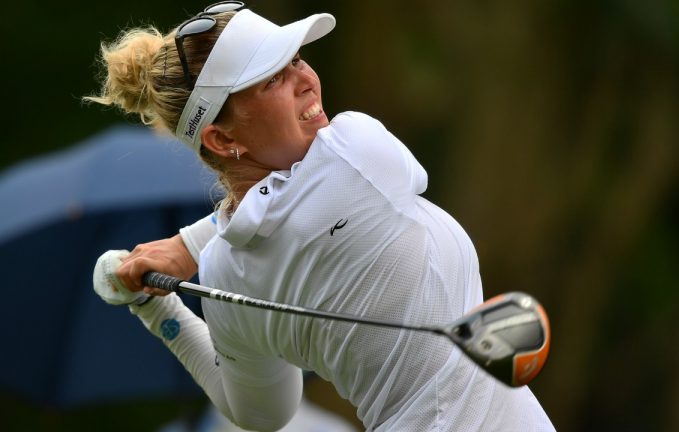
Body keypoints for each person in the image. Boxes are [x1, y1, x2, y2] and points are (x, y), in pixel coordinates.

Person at [86, 2, 555, 431]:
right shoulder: (358, 151)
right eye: (272, 79)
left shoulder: (225, 276)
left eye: (294, 59)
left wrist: (155, 306)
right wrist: (189, 247)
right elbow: (298, 201)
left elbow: (261, 414)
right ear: (223, 140)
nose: (306, 79)